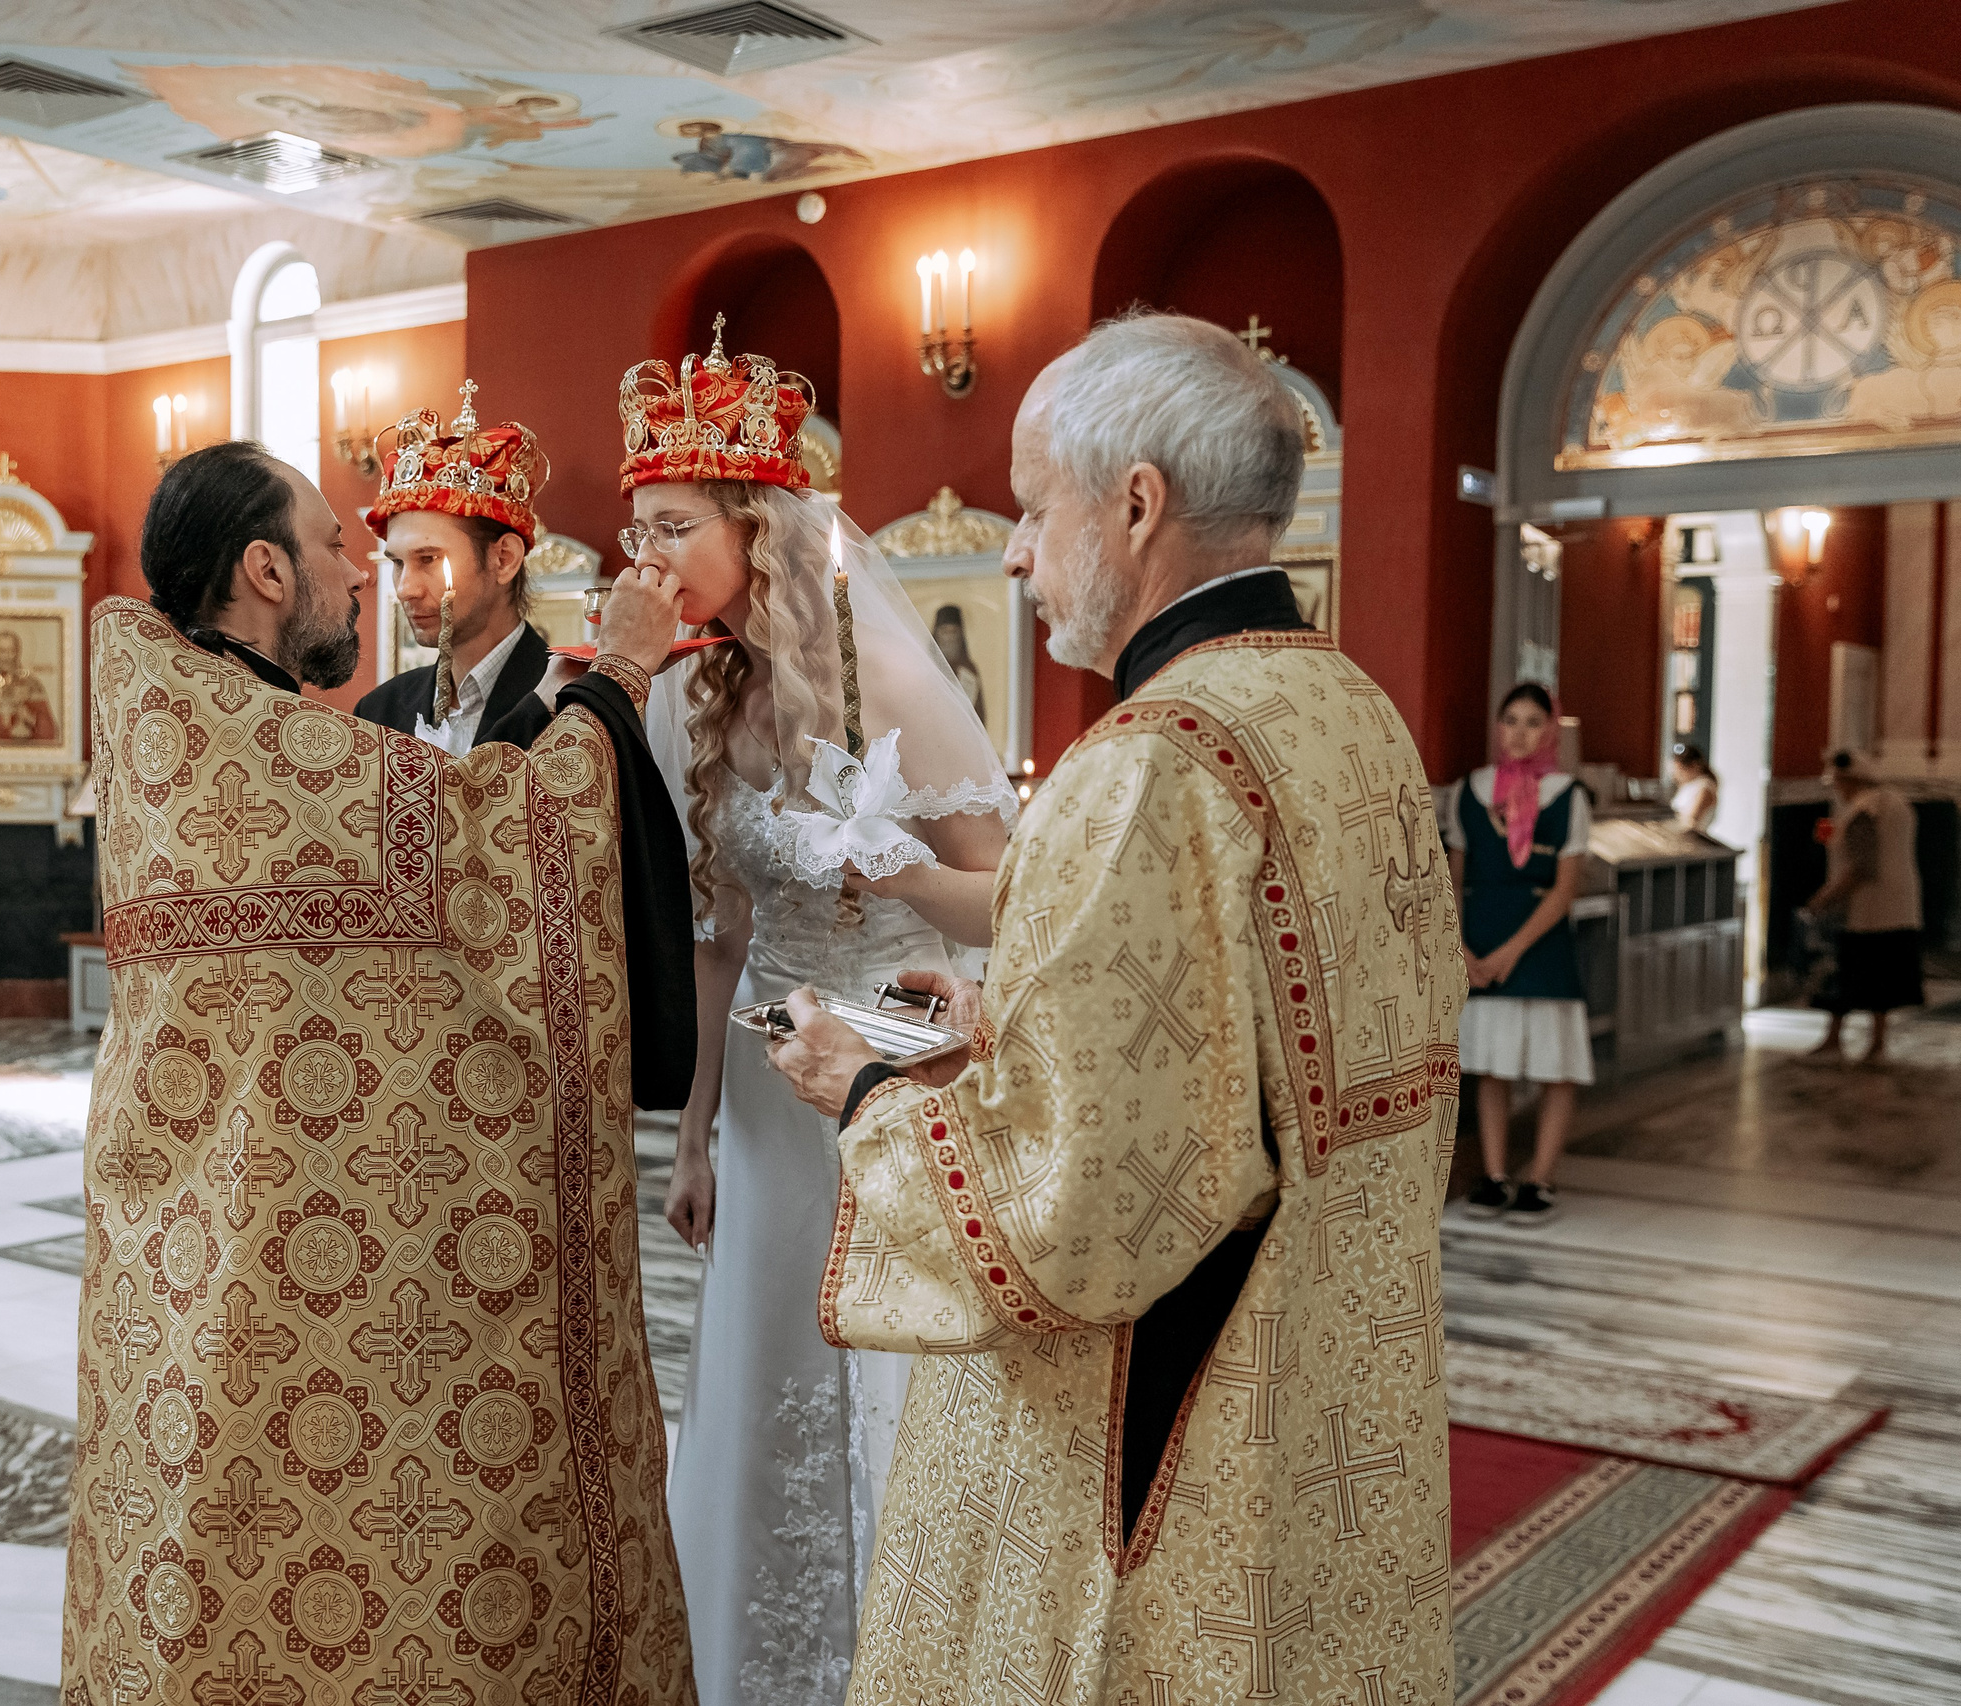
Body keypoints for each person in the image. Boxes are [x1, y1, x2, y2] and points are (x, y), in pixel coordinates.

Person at [763, 310, 1464, 1706]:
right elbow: (1255, 1049)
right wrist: (995, 1016)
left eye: (1032, 508)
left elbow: (1077, 1212)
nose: (1015, 549)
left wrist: (868, 1091)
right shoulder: (1349, 710)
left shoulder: (1147, 761)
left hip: (1170, 1412)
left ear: (1136, 503)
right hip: (1334, 1362)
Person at [62, 440, 703, 1706]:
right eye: (336, 548)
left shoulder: (175, 729)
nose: (362, 578)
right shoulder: (257, 743)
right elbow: (506, 837)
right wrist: (622, 663)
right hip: (248, 1245)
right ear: (262, 567)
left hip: (192, 1255)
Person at [624, 320, 1016, 1704]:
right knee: (762, 1358)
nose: (645, 561)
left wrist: (897, 868)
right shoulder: (703, 694)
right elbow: (722, 933)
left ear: (753, 521)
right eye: (637, 533)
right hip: (766, 1117)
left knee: (873, 1371)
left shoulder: (894, 683)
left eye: (670, 526)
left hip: (889, 1087)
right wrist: (691, 1132)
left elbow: (1010, 899)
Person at [1448, 682, 1592, 1223]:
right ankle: (1493, 1172)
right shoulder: (1471, 791)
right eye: (1511, 720)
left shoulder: (1567, 795)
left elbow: (1564, 890)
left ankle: (1540, 1176)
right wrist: (1460, 947)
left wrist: (1512, 951)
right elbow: (1455, 880)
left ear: (1550, 730)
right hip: (1481, 937)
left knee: (1556, 1065)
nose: (1520, 732)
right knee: (1492, 1064)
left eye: (1534, 722)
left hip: (1540, 941)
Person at [353, 383, 557, 754]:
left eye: (428, 559)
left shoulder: (569, 705)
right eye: (397, 563)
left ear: (504, 559)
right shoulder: (378, 713)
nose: (405, 589)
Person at [1804, 749, 1922, 1064]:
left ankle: (1849, 1043)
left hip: (1868, 910)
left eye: (1836, 781)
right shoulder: (1895, 801)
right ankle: (1872, 1044)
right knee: (1883, 980)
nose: (1834, 787)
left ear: (1848, 779)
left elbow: (1862, 867)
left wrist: (1826, 898)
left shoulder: (1863, 810)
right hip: (1899, 905)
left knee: (1854, 975)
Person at [931, 603, 987, 724]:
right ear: (936, 635)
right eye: (945, 631)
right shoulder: (927, 667)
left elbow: (978, 715)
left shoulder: (969, 670)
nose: (950, 637)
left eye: (954, 631)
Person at [1672, 743, 1719, 833]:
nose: (1677, 774)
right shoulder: (1688, 785)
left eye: (1681, 770)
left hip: (1692, 840)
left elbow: (1692, 820)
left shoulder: (1705, 787)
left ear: (1695, 766)